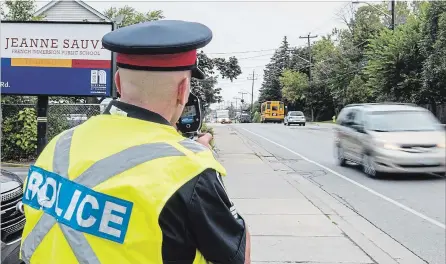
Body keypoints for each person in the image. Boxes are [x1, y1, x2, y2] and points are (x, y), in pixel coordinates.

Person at [19, 20, 251, 264]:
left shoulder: (59, 145)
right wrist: (206, 167)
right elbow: (239, 257)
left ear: (118, 83)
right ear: (183, 90)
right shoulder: (191, 170)